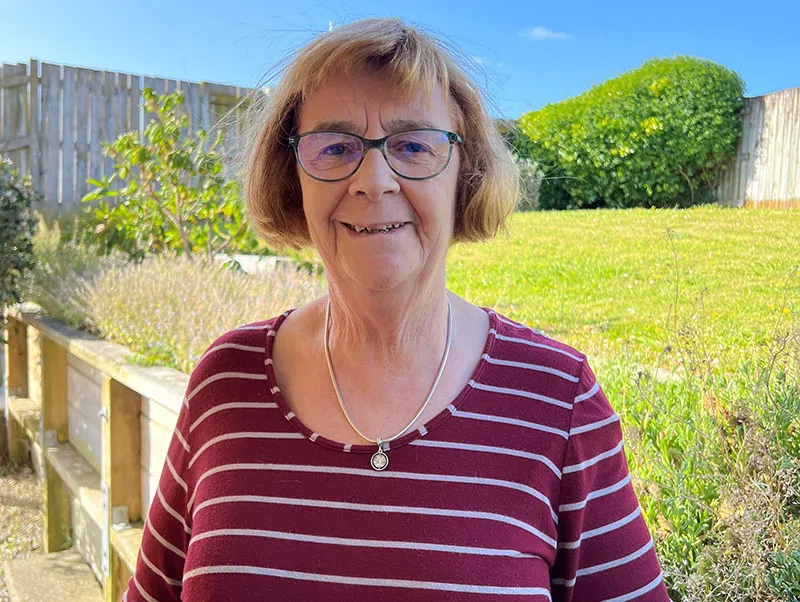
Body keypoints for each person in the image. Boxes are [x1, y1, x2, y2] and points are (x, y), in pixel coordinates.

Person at [123, 18, 670, 602]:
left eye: (413, 145)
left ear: (465, 174)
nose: (374, 181)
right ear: (293, 175)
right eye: (335, 147)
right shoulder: (226, 383)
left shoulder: (557, 400)